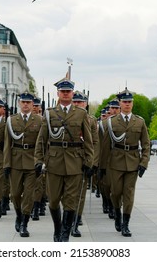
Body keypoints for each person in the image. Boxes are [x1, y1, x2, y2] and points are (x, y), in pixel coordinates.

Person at [34, 78, 93, 242]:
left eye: (68, 91)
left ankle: (65, 235)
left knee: (71, 201)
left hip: (75, 162)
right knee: (53, 201)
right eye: (63, 91)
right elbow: (41, 139)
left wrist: (90, 162)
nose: (66, 94)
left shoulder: (81, 113)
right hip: (54, 162)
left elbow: (88, 141)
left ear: (72, 93)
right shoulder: (50, 113)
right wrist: (38, 160)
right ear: (58, 93)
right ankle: (58, 228)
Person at [100, 87, 150, 237]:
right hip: (115, 162)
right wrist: (102, 167)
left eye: (129, 102)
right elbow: (105, 146)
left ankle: (126, 224)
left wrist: (144, 163)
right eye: (124, 102)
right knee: (115, 193)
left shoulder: (139, 122)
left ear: (132, 104)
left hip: (133, 162)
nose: (127, 104)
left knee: (128, 193)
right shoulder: (111, 122)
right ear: (120, 103)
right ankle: (116, 212)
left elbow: (146, 144)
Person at [3, 91, 43, 238]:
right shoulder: (11, 120)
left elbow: (42, 144)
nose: (26, 105)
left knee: (28, 195)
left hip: (32, 162)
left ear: (33, 104)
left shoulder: (39, 121)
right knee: (14, 194)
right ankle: (19, 215)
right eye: (23, 102)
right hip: (15, 162)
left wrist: (40, 162)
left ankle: (24, 223)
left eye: (28, 102)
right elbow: (7, 144)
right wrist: (6, 164)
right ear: (20, 103)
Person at [70, 90, 99, 237]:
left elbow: (94, 142)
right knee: (66, 194)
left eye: (80, 102)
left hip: (83, 159)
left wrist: (92, 162)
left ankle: (76, 221)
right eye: (74, 102)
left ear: (85, 104)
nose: (77, 104)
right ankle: (69, 218)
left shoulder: (91, 120)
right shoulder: (65, 117)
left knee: (80, 193)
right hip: (67, 160)